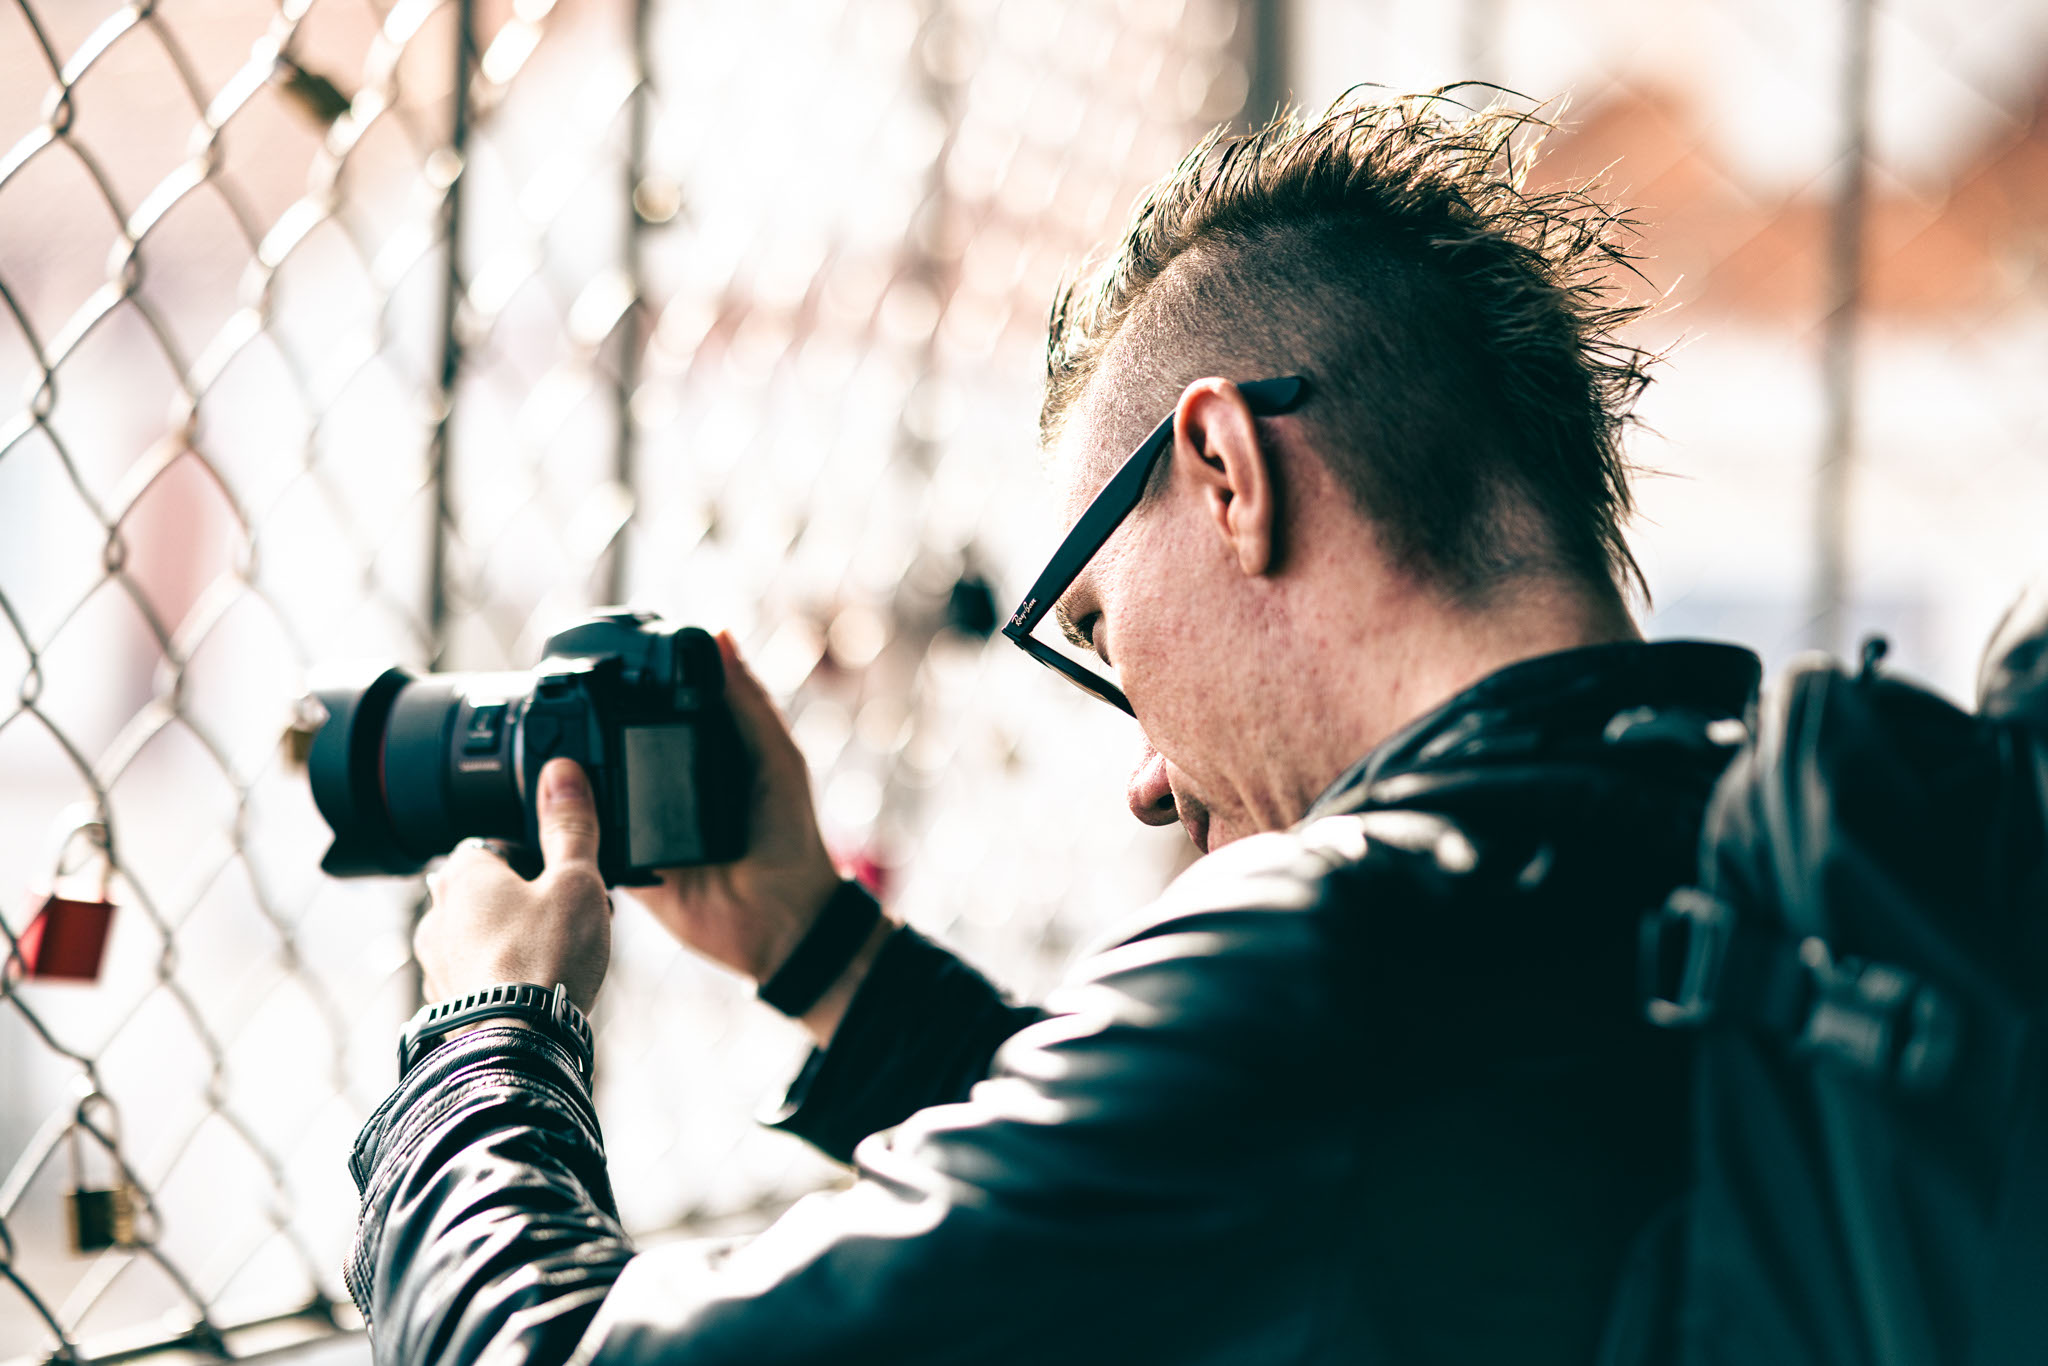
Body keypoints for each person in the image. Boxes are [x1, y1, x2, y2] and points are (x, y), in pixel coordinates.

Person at [344, 92, 1760, 1366]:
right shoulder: (1730, 842)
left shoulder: (1345, 950)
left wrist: (487, 1027)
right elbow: (1206, 1182)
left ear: (1227, 472)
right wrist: (819, 947)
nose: (1146, 777)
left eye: (1096, 628)